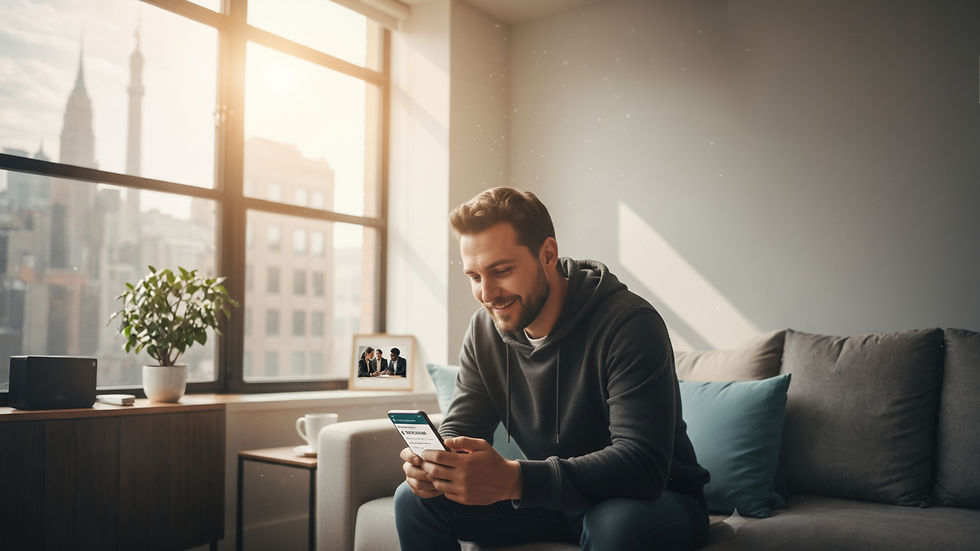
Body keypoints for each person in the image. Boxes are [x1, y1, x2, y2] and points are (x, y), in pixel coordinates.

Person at [394, 187, 710, 550]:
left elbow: (641, 466)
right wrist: (437, 467)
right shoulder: (485, 332)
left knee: (614, 525)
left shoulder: (629, 324)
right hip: (554, 502)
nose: (488, 293)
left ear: (548, 254)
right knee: (413, 499)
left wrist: (516, 480)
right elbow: (461, 427)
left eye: (502, 270)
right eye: (475, 276)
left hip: (656, 501)